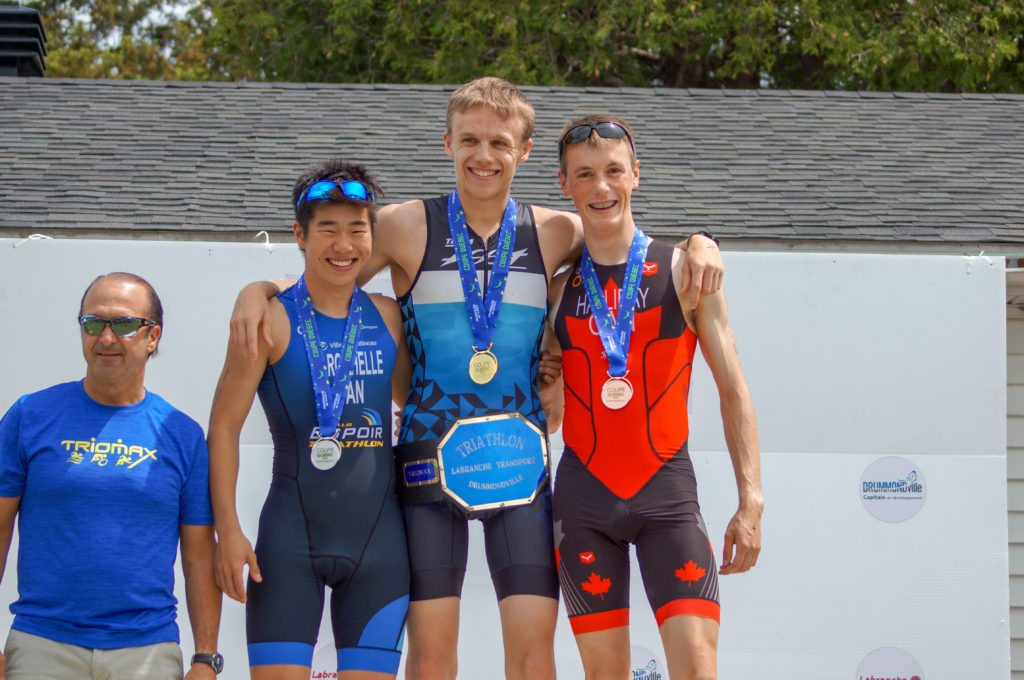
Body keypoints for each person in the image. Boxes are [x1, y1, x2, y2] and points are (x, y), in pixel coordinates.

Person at [229, 78, 725, 680]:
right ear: (446, 143)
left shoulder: (556, 232)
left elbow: (626, 241)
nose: (483, 155)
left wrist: (702, 242)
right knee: (433, 657)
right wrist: (260, 290)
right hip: (425, 464)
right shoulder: (403, 226)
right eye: (469, 140)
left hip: (517, 463)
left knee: (533, 655)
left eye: (498, 141)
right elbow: (326, 280)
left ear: (524, 151)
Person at [546, 115, 762, 680]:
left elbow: (733, 388)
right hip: (583, 500)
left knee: (696, 671)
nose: (601, 188)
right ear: (564, 185)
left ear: (636, 175)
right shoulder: (555, 289)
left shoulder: (684, 268)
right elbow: (547, 408)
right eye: (585, 175)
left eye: (614, 171)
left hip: (666, 495)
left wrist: (752, 500)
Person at [208, 160, 412, 680]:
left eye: (356, 229)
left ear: (372, 236)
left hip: (379, 544)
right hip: (288, 542)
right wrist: (228, 532)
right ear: (299, 234)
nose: (343, 245)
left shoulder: (389, 317)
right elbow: (224, 427)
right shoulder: (268, 320)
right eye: (327, 229)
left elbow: (418, 405)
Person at [0, 273, 222, 680]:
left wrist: (206, 658)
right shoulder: (29, 416)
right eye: (92, 323)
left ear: (152, 336)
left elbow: (199, 555)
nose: (105, 338)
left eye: (121, 324)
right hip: (42, 645)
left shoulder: (182, 434)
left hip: (147, 650)